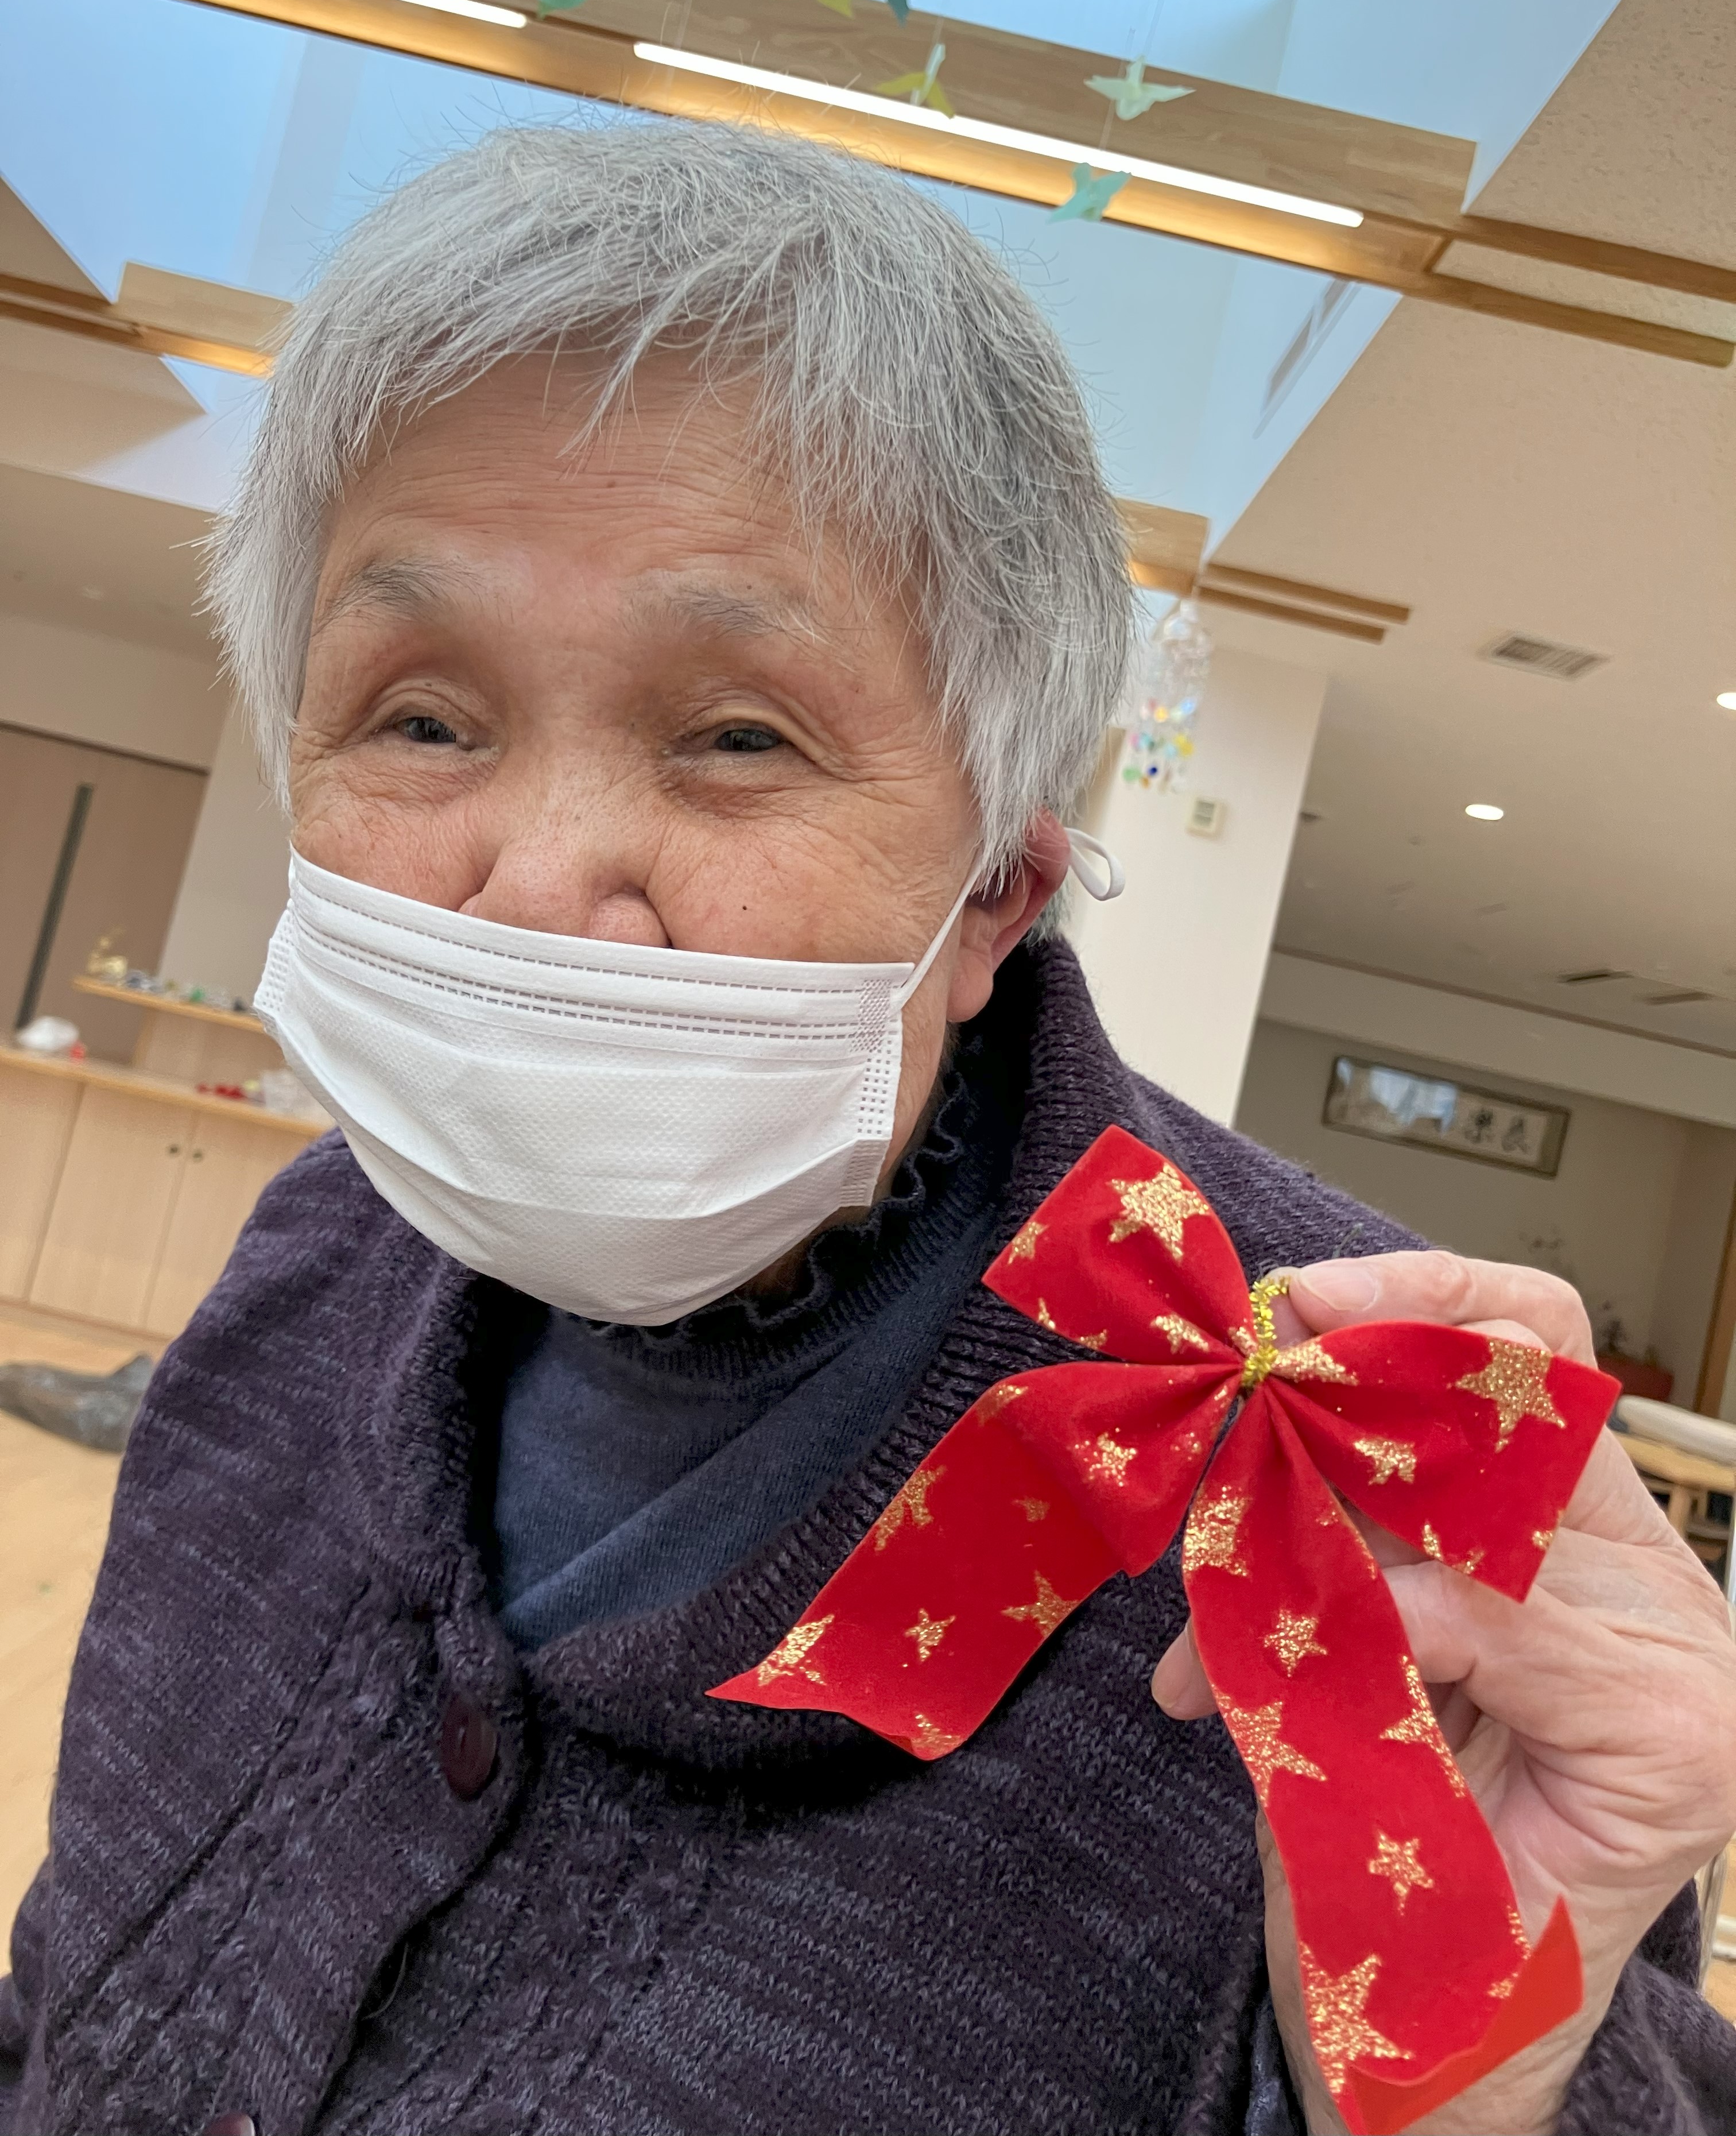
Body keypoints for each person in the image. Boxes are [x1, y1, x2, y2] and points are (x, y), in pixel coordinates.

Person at [2, 119, 1731, 2136]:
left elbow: (1486, 2025)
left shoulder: (1339, 1462)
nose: (541, 880)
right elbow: (76, 2004)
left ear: (996, 893)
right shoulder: (313, 1259)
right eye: (423, 717)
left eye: (738, 736)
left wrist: (1472, 2094)